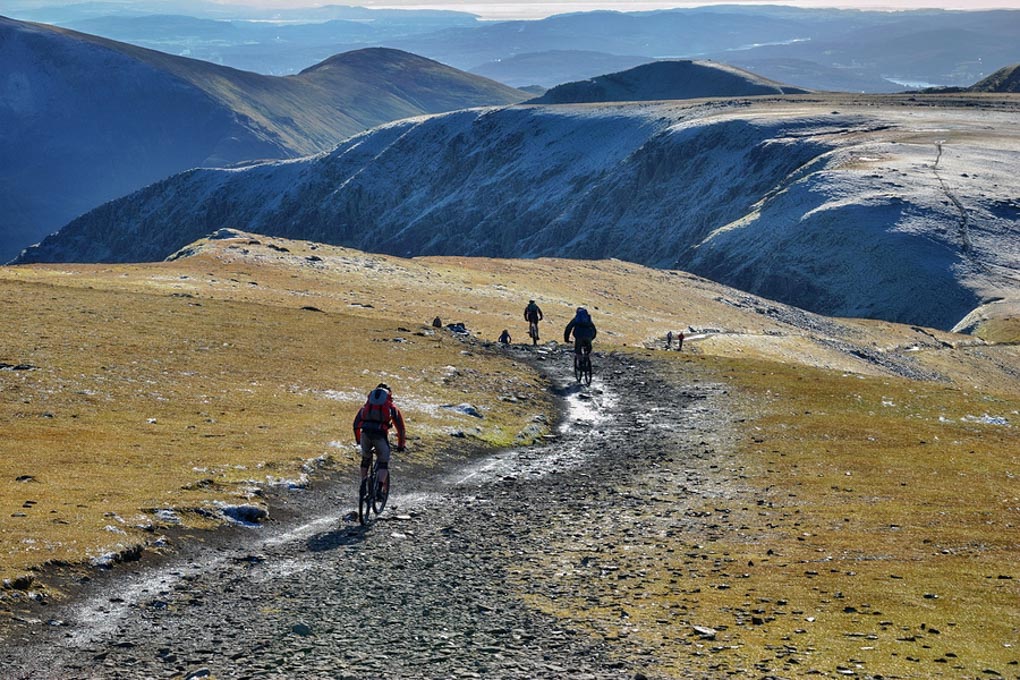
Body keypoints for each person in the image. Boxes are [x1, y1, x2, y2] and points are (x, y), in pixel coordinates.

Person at [353, 383, 405, 495]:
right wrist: (401, 446)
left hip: (365, 435)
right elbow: (400, 430)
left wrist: (358, 440)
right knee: (383, 463)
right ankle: (379, 489)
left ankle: (363, 482)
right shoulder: (391, 407)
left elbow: (356, 425)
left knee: (365, 459)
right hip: (380, 436)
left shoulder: (366, 406)